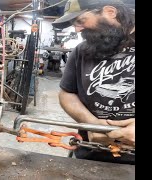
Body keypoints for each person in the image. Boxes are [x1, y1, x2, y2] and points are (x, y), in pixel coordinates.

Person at [52, 0, 135, 164]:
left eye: (81, 21)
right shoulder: (81, 51)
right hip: (91, 154)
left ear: (110, 12)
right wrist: (93, 123)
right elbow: (67, 93)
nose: (77, 29)